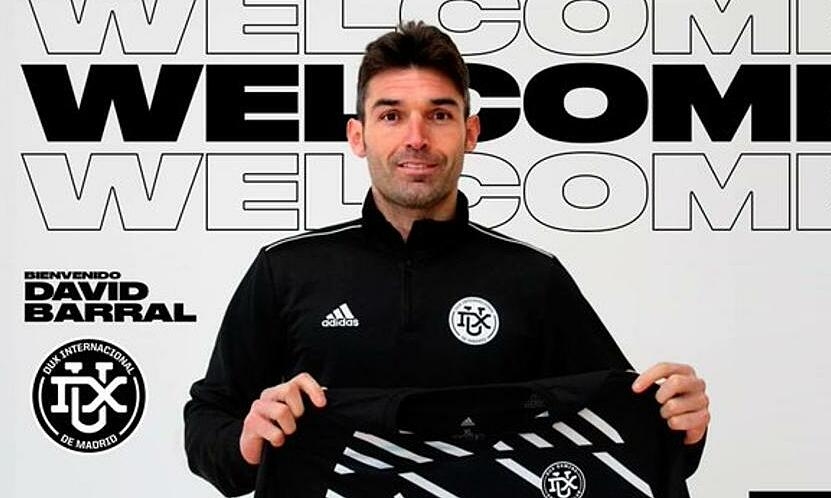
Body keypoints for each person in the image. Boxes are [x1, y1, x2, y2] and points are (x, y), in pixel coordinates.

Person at [184, 21, 710, 497]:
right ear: (358, 136)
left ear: (470, 132)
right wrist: (245, 441)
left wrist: (681, 428)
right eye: (391, 115)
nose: (416, 138)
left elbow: (616, 435)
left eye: (439, 115)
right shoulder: (286, 269)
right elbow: (208, 420)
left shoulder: (532, 277)